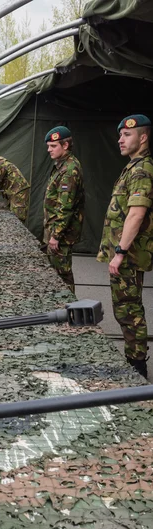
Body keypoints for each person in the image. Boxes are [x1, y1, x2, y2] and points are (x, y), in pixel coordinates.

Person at [97, 114, 153, 378]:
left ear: (143, 138)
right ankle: (135, 359)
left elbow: (137, 213)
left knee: (130, 310)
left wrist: (119, 252)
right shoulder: (133, 167)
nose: (120, 139)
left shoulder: (142, 169)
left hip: (128, 256)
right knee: (125, 309)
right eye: (119, 135)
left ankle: (137, 366)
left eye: (127, 135)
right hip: (125, 255)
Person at [43, 126, 85, 293]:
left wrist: (56, 235)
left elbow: (65, 207)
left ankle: (69, 314)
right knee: (56, 274)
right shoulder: (62, 165)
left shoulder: (69, 170)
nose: (49, 150)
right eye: (48, 146)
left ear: (65, 145)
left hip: (61, 234)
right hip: (56, 230)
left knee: (62, 276)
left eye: (53, 146)